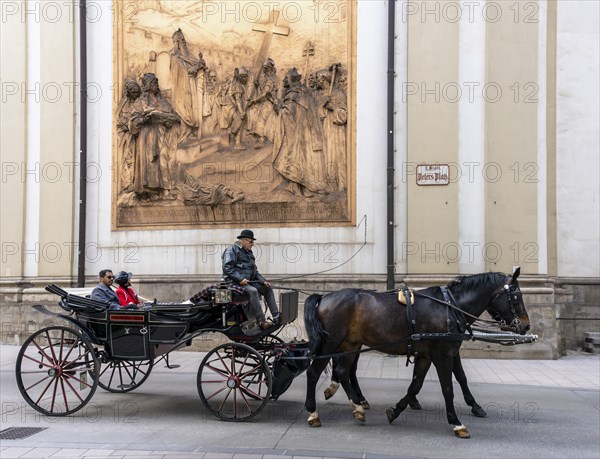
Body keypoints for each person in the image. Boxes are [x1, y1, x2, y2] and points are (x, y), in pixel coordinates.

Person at [222, 230, 280, 330]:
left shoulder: (248, 253)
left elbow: (255, 272)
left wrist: (263, 281)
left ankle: (276, 317)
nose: (252, 244)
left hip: (247, 283)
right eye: (251, 241)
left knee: (268, 288)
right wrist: (240, 279)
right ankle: (261, 321)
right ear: (243, 241)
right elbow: (227, 268)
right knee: (253, 291)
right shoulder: (232, 250)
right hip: (233, 283)